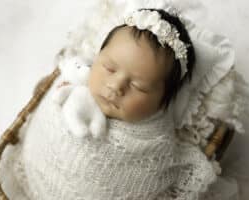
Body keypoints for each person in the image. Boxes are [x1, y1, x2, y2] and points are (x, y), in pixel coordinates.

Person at [12, 8, 217, 200]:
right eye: (109, 68)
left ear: (162, 104)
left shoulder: (154, 141)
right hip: (37, 170)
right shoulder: (75, 77)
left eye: (139, 87)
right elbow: (52, 108)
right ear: (97, 57)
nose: (116, 86)